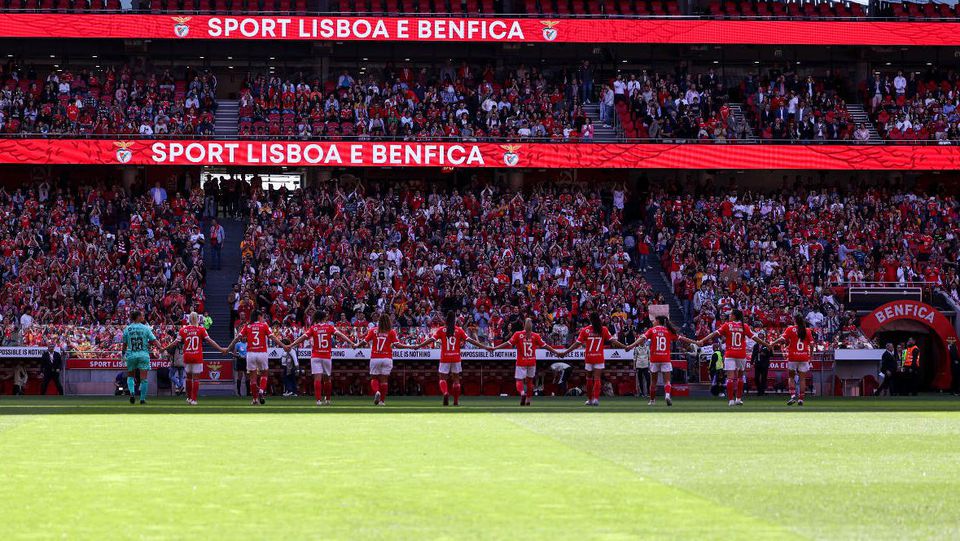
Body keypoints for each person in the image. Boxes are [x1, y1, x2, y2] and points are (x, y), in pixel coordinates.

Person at [412, 311, 488, 406]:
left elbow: (431, 339)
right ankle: (456, 401)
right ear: (455, 319)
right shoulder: (459, 330)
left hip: (445, 357)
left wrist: (419, 345)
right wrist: (484, 346)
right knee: (456, 379)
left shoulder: (441, 330)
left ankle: (445, 393)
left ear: (446, 319)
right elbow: (470, 340)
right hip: (456, 357)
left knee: (442, 378)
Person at [284, 309, 357, 406]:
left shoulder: (313, 328)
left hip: (316, 356)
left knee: (317, 379)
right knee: (327, 379)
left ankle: (318, 400)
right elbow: (340, 334)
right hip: (326, 356)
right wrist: (351, 342)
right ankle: (328, 399)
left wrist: (292, 345)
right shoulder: (329, 327)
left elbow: (303, 338)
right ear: (324, 318)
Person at [558, 312, 629, 407]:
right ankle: (595, 399)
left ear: (590, 320)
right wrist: (625, 347)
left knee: (589, 379)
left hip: (589, 357)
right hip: (599, 357)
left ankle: (589, 399)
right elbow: (613, 341)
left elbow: (577, 344)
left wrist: (565, 352)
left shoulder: (585, 330)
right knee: (597, 379)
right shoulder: (603, 329)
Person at [698, 309, 766, 407]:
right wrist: (767, 344)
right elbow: (755, 338)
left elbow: (714, 334)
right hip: (741, 354)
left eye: (730, 315)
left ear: (734, 316)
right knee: (740, 377)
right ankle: (738, 399)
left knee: (730, 378)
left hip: (730, 354)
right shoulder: (744, 326)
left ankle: (730, 400)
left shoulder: (727, 325)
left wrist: (702, 340)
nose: (729, 316)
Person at [490, 318, 563, 406]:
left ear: (523, 325)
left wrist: (495, 348)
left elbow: (508, 343)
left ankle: (522, 393)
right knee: (530, 382)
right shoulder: (535, 335)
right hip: (532, 361)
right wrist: (557, 353)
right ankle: (528, 400)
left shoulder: (518, 334)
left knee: (519, 380)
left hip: (521, 361)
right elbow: (546, 346)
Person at [624, 315, 696, 406]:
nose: (653, 322)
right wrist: (696, 342)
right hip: (665, 358)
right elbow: (682, 339)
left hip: (654, 359)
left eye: (654, 321)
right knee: (667, 381)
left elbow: (641, 339)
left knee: (653, 382)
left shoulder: (652, 330)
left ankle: (652, 400)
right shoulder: (668, 331)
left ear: (658, 321)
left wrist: (630, 346)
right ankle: (667, 395)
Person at [354, 314, 416, 406]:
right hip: (387, 358)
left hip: (375, 357)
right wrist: (410, 346)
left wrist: (356, 346)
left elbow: (364, 341)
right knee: (384, 380)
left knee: (374, 378)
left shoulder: (373, 330)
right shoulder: (391, 332)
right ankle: (382, 401)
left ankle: (377, 392)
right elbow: (397, 345)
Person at [166, 312, 226, 405]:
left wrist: (164, 348)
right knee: (196, 379)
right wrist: (221, 349)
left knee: (188, 378)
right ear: (198, 319)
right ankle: (194, 399)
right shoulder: (201, 329)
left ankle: (189, 398)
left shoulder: (183, 330)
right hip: (197, 356)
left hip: (187, 356)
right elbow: (210, 341)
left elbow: (174, 342)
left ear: (189, 319)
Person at [227, 311, 281, 406]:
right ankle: (261, 391)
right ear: (259, 316)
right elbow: (273, 338)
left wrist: (228, 348)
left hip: (251, 354)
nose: (263, 318)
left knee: (252, 378)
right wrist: (284, 345)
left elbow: (237, 338)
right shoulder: (264, 325)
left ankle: (255, 399)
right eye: (262, 316)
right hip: (262, 353)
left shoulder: (247, 326)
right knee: (265, 373)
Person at [767, 315, 813, 406]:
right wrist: (810, 356)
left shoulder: (790, 329)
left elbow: (782, 339)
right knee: (802, 379)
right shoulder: (807, 330)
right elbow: (811, 345)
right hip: (804, 357)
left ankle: (792, 396)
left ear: (794, 320)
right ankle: (801, 399)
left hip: (793, 357)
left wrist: (773, 343)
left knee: (791, 377)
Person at [122, 310, 159, 405]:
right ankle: (142, 399)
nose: (143, 316)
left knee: (130, 376)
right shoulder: (146, 328)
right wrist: (162, 348)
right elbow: (154, 340)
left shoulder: (127, 329)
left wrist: (123, 355)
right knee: (144, 379)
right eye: (142, 315)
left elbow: (124, 345)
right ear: (138, 317)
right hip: (143, 355)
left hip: (131, 355)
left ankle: (132, 393)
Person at [751, 331, 773, 398]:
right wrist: (751, 362)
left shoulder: (767, 344)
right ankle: (759, 390)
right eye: (759, 336)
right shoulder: (755, 345)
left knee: (764, 378)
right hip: (757, 364)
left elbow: (771, 354)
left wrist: (766, 354)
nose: (760, 337)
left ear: (763, 337)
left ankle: (762, 392)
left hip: (764, 364)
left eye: (761, 336)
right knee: (756, 378)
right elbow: (753, 354)